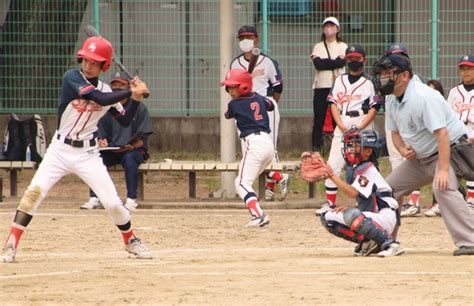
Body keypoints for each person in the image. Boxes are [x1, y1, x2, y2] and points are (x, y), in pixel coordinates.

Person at [0, 37, 152, 263]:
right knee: (33, 193)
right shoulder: (72, 78)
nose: (88, 65)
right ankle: (11, 243)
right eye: (85, 59)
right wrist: (130, 91)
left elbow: (125, 119)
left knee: (112, 203)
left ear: (104, 66)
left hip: (87, 154)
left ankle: (130, 240)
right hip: (60, 150)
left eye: (94, 62)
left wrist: (136, 99)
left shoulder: (107, 90)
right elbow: (96, 97)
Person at [372, 53, 474, 256]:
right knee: (388, 190)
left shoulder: (424, 96)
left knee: (442, 187)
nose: (383, 78)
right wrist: (402, 150)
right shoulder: (391, 98)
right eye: (381, 73)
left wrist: (443, 170)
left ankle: (470, 240)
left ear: (404, 76)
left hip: (448, 151)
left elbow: (442, 134)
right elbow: (394, 133)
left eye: (388, 73)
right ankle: (385, 239)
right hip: (421, 158)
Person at [315, 44, 380, 216]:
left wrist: (360, 126)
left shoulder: (370, 81)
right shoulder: (339, 80)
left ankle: (371, 202)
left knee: (364, 166)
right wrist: (341, 125)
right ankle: (330, 202)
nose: (353, 62)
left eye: (357, 59)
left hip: (362, 123)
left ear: (364, 60)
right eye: (350, 59)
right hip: (343, 123)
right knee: (334, 163)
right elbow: (333, 104)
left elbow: (375, 107)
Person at [319, 128, 403, 257]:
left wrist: (331, 176)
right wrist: (352, 208)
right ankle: (370, 242)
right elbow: (368, 201)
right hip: (375, 217)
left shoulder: (368, 169)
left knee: (351, 215)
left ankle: (391, 243)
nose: (351, 149)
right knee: (327, 217)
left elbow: (352, 193)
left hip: (386, 216)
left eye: (357, 146)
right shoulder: (357, 169)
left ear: (368, 151)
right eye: (351, 145)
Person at [230, 25, 289, 202]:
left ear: (256, 39)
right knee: (249, 149)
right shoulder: (235, 63)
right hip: (242, 107)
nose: (245, 40)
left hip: (264, 102)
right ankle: (275, 180)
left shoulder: (267, 61)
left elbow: (278, 87)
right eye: (242, 38)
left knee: (269, 147)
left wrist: (269, 105)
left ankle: (272, 185)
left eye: (249, 37)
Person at [81, 71, 154, 211]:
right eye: (114, 88)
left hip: (133, 150)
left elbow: (143, 139)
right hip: (113, 149)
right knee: (96, 157)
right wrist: (102, 143)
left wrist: (131, 146)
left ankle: (131, 199)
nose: (117, 91)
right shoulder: (107, 108)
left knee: (130, 158)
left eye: (120, 88)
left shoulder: (139, 108)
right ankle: (94, 197)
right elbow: (101, 135)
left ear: (127, 88)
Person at [221, 69, 275, 227]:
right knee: (245, 182)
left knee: (241, 183)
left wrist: (249, 97)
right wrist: (256, 96)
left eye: (233, 87)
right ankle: (256, 213)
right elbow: (270, 105)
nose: (230, 91)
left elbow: (227, 114)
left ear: (243, 87)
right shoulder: (258, 97)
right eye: (229, 88)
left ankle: (259, 215)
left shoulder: (235, 104)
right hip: (268, 145)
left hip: (255, 145)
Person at [384, 43, 423, 217]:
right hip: (393, 122)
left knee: (414, 160)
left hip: (410, 124)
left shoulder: (415, 81)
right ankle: (397, 202)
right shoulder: (387, 79)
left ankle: (414, 202)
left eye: (401, 55)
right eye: (394, 55)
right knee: (396, 159)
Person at [310, 16, 347, 152]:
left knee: (337, 119)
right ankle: (316, 149)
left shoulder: (343, 46)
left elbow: (341, 62)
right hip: (321, 86)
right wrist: (333, 62)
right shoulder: (318, 46)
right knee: (318, 119)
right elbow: (317, 64)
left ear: (337, 29)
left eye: (332, 26)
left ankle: (337, 148)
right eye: (326, 26)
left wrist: (325, 62)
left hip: (338, 86)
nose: (329, 29)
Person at [445, 55, 474, 213]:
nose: (465, 72)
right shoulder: (454, 92)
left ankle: (472, 201)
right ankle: (457, 201)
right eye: (463, 68)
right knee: (455, 168)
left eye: (469, 68)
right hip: (457, 133)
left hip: (472, 129)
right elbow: (447, 114)